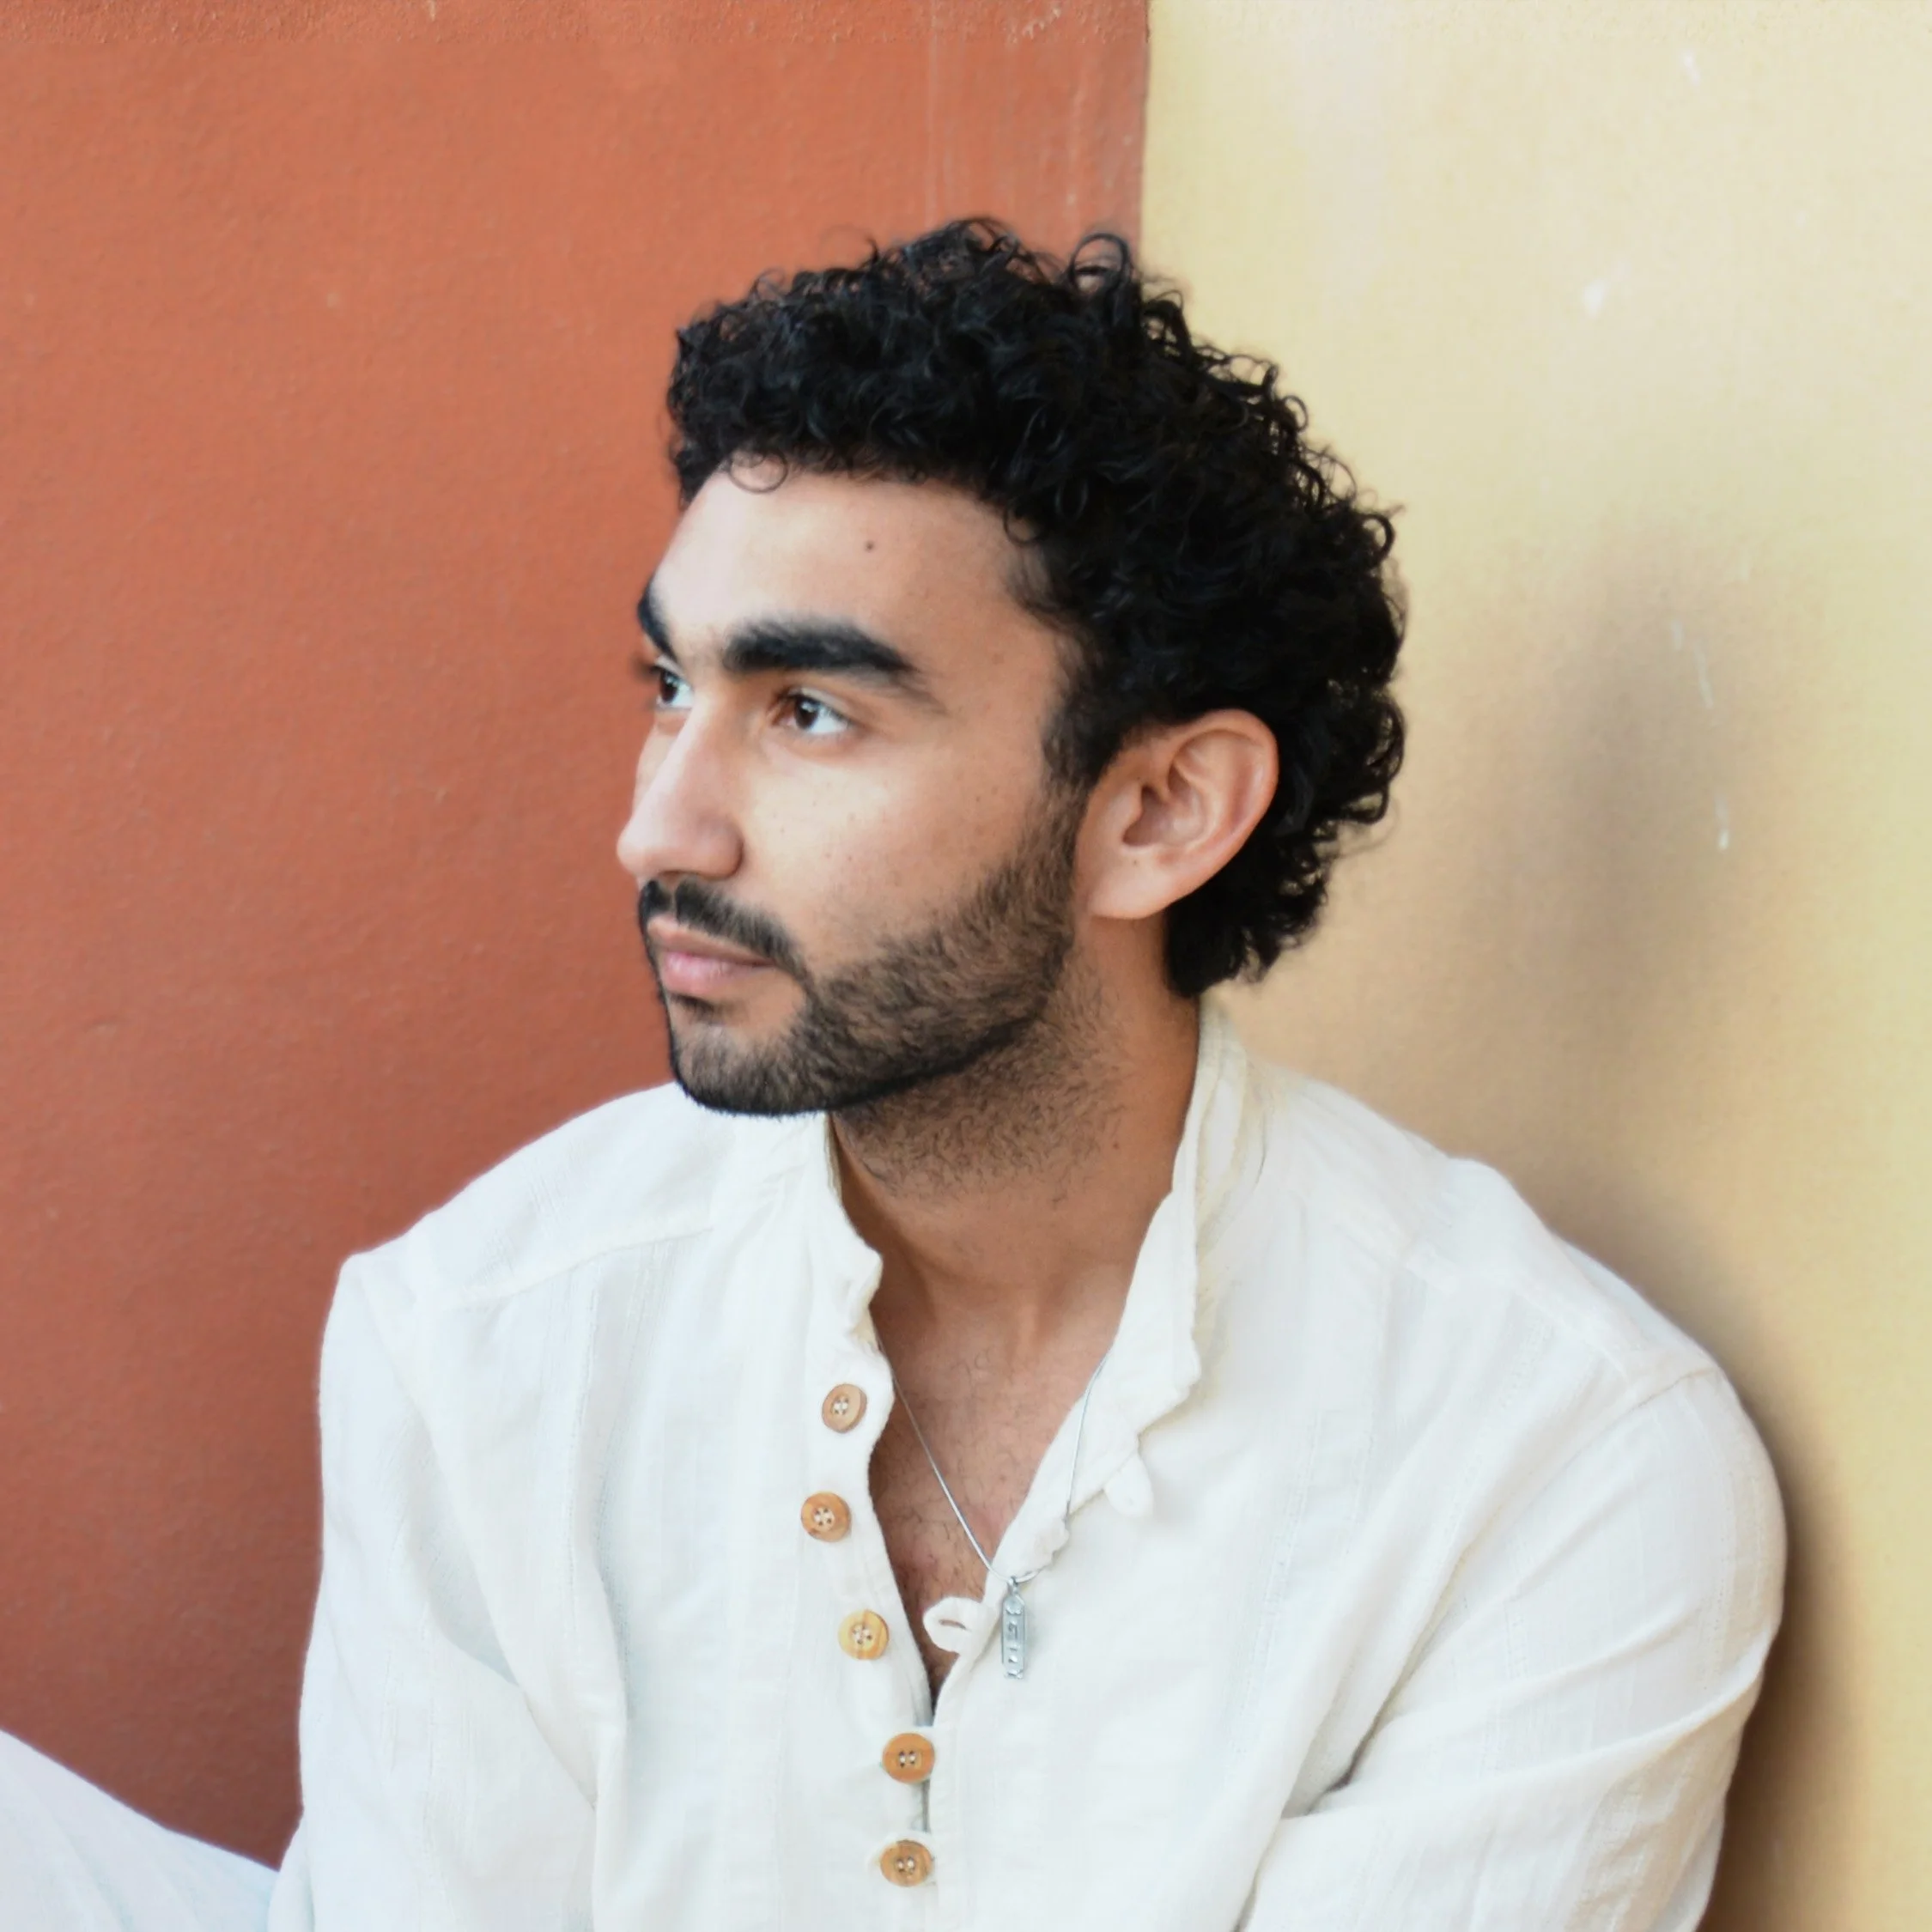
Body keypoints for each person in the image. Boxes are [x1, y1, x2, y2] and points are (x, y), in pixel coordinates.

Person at [2, 221, 1782, 1930]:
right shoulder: (482, 1334)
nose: (657, 828)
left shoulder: (1551, 1464)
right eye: (669, 689)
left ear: (1158, 813)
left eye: (810, 713)